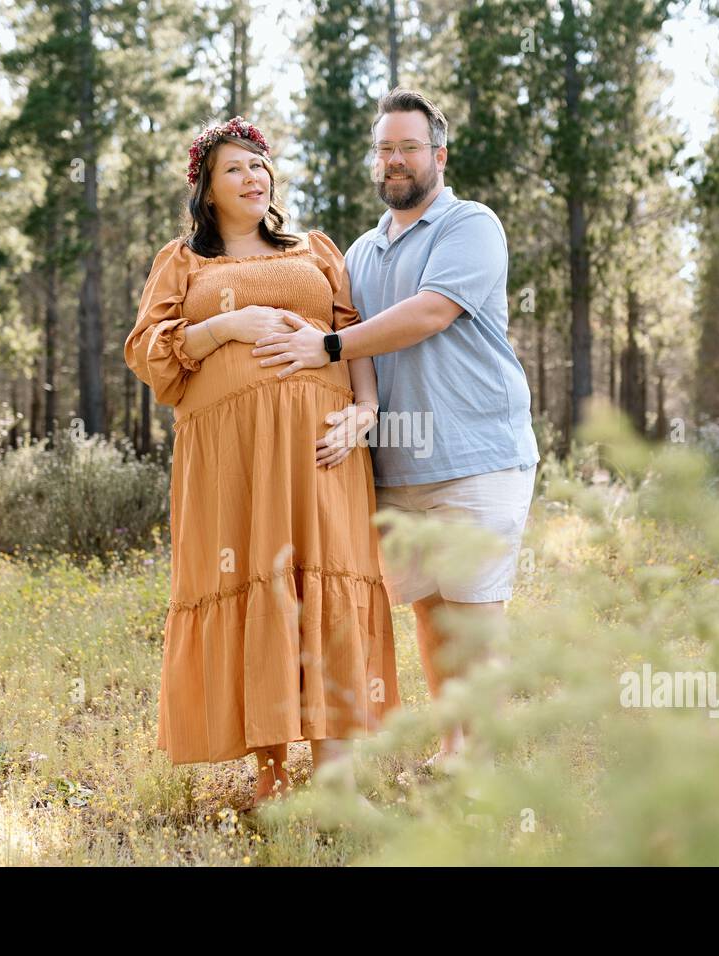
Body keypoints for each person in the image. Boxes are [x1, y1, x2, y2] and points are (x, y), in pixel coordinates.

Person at [250, 88, 540, 768]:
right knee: (432, 619)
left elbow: (429, 313)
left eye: (409, 147)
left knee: (475, 620)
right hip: (393, 472)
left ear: (437, 155)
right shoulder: (359, 253)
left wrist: (325, 346)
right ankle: (452, 752)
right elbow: (358, 345)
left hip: (477, 456)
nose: (396, 160)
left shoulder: (470, 225)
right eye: (385, 149)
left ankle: (485, 767)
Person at [123, 116, 399, 807]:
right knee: (255, 580)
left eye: (259, 165)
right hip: (232, 461)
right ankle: (272, 779)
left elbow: (351, 334)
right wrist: (224, 327)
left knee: (327, 578)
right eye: (234, 169)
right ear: (207, 190)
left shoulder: (315, 249)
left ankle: (335, 780)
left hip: (322, 448)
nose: (253, 178)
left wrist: (363, 416)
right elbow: (147, 352)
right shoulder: (184, 263)